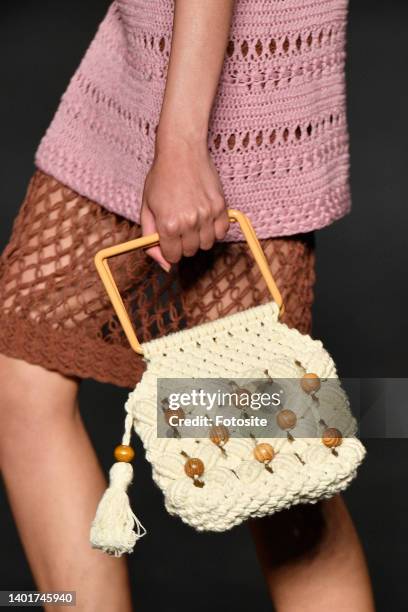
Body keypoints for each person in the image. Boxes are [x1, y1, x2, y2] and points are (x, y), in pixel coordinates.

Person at [0, 1, 375, 610]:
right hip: (140, 69)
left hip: (225, 97)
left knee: (276, 469)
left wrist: (180, 144)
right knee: (22, 371)